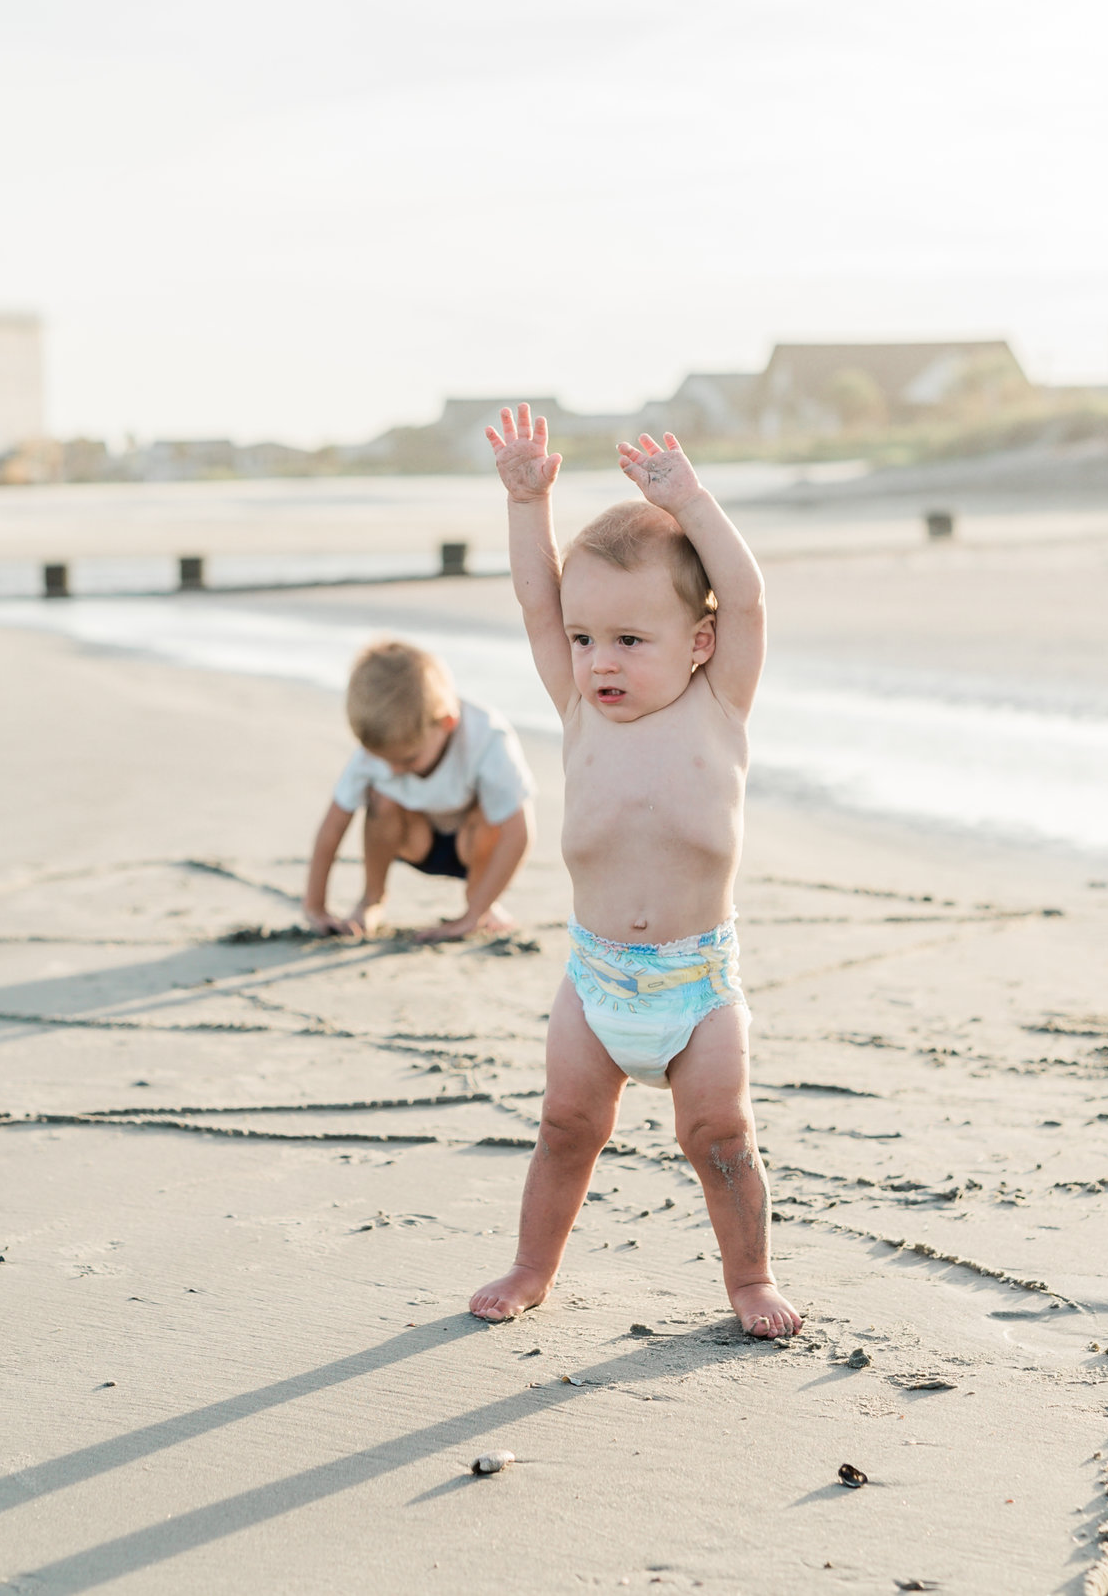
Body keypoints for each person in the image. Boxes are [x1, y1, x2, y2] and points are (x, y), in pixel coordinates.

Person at [467, 405, 799, 1338]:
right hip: (596, 976)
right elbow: (539, 599)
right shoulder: (578, 708)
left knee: (720, 1138)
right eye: (586, 640)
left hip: (698, 979)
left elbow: (747, 599)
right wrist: (528, 503)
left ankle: (749, 1278)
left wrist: (689, 502)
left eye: (629, 640)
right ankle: (533, 1265)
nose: (598, 661)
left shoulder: (719, 701)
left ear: (696, 642)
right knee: (566, 1126)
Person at [300, 639, 534, 943]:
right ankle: (372, 900)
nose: (394, 769)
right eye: (384, 759)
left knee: (492, 813)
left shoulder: (487, 736)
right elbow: (332, 827)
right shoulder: (375, 754)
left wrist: (474, 914)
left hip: (471, 844)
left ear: (447, 723)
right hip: (415, 840)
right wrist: (314, 906)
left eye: (408, 759)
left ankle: (482, 903)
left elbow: (519, 834)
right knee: (382, 798)